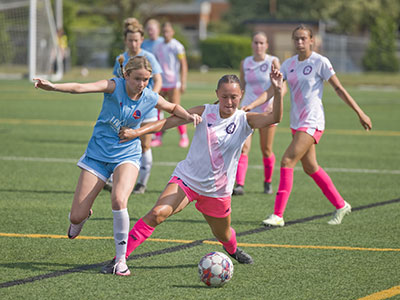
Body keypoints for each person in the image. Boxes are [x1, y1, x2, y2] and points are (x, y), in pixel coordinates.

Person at [101, 68, 285, 275]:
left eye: (233, 97)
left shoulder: (245, 120)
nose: (229, 102)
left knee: (223, 234)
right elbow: (167, 122)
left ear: (241, 94)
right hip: (187, 180)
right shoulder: (204, 111)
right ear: (217, 94)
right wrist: (137, 132)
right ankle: (120, 258)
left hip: (217, 191)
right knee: (157, 213)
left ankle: (232, 249)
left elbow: (274, 117)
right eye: (224, 97)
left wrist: (277, 92)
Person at [34, 56, 201, 276]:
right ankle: (82, 216)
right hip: (97, 155)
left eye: (146, 80)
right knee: (76, 216)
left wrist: (189, 116)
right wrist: (53, 86)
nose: (141, 84)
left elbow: (172, 107)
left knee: (119, 199)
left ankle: (121, 261)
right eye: (137, 79)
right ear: (126, 75)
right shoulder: (113, 86)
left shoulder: (149, 96)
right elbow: (80, 87)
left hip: (127, 154)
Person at [255, 25, 372, 227]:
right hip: (296, 122)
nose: (299, 42)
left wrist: (359, 112)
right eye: (296, 39)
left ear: (312, 40)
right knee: (310, 167)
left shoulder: (320, 62)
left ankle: (278, 215)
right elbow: (274, 90)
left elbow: (339, 88)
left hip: (312, 121)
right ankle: (341, 204)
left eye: (303, 39)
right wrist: (251, 105)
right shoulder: (289, 64)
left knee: (287, 160)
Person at [107, 18, 163, 195]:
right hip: (125, 110)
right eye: (130, 40)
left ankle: (142, 183)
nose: (133, 43)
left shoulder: (149, 57)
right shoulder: (121, 59)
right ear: (125, 40)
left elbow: (159, 81)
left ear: (142, 40)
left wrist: (150, 98)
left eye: (137, 40)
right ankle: (110, 178)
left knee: (145, 145)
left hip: (146, 110)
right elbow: (117, 83)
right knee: (120, 141)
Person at [232, 31, 285, 196]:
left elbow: (282, 87)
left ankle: (268, 182)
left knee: (266, 149)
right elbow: (241, 87)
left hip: (267, 111)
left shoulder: (273, 61)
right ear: (252, 44)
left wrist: (274, 103)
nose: (258, 46)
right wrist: (236, 107)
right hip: (248, 109)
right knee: (243, 148)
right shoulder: (245, 62)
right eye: (256, 42)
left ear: (267, 45)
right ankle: (239, 184)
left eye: (262, 43)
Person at [151, 22, 189, 148]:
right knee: (158, 109)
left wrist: (183, 82)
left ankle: (183, 136)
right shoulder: (158, 46)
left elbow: (183, 64)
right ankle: (158, 136)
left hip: (173, 83)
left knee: (176, 110)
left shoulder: (177, 46)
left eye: (168, 31)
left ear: (172, 32)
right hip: (161, 82)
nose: (166, 33)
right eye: (164, 31)